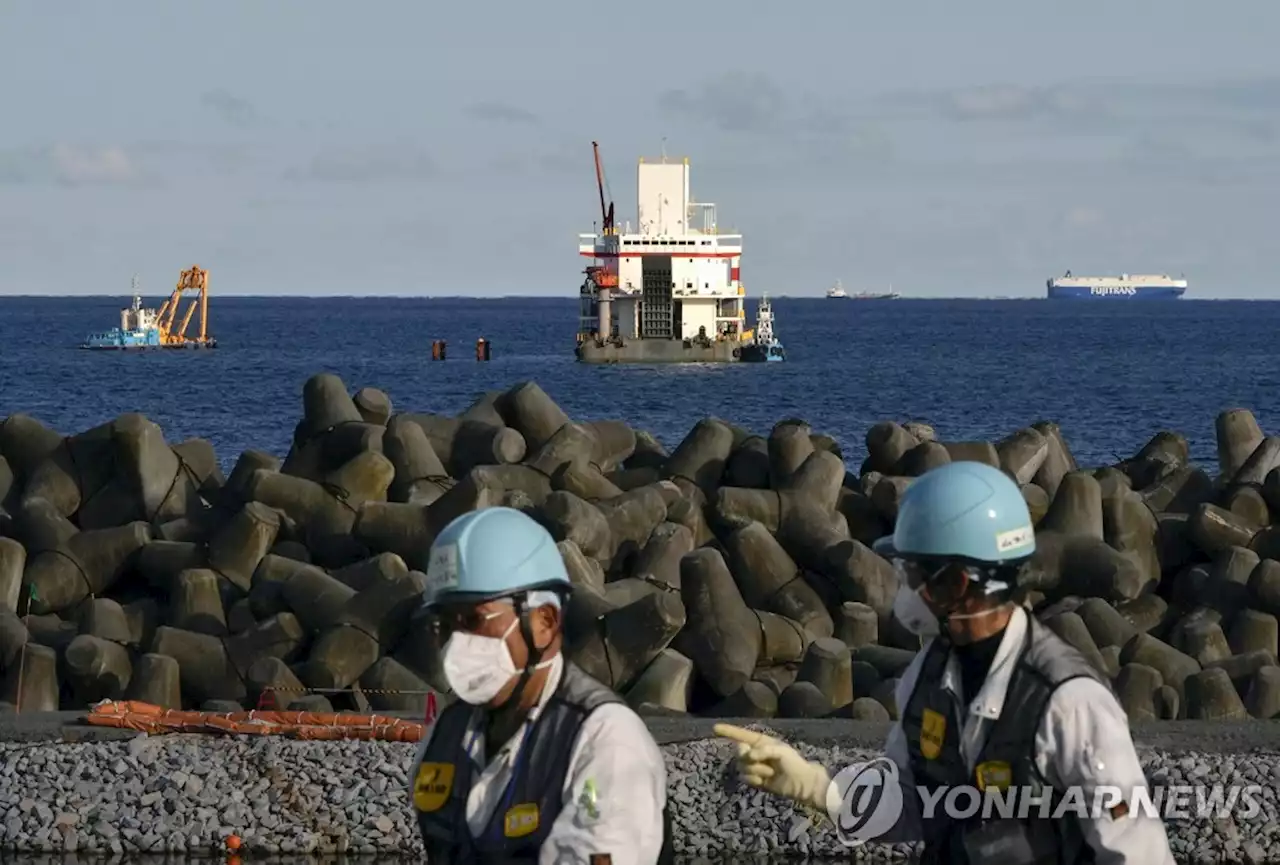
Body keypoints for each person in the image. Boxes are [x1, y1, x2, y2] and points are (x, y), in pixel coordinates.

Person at [717, 460, 1176, 864]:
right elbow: (912, 804)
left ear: (957, 581)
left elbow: (1135, 848)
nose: (904, 587)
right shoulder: (925, 677)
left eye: (914, 572)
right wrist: (820, 788)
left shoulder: (1068, 700)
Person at [408, 505, 674, 865]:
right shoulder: (443, 737)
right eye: (443, 625)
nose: (458, 642)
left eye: (473, 619)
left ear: (544, 621)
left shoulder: (603, 741)